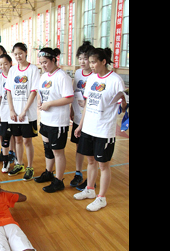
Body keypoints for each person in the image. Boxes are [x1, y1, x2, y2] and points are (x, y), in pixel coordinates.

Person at [73, 47, 127, 212]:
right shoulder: (92, 79)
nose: (91, 65)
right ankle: (89, 189)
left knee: (103, 165)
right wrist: (81, 126)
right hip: (89, 127)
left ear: (103, 62)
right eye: (89, 62)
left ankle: (101, 198)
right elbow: (88, 104)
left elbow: (122, 108)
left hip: (104, 130)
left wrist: (124, 101)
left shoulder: (115, 80)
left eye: (93, 62)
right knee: (90, 161)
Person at [33, 48, 74, 193]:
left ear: (54, 60)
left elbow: (69, 97)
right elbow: (40, 92)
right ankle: (48, 172)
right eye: (41, 63)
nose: (43, 65)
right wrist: (39, 101)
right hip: (45, 120)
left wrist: (50, 104)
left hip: (58, 122)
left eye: (46, 62)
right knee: (47, 149)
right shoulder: (44, 76)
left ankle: (59, 180)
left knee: (58, 152)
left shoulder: (62, 76)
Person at [5, 42, 40, 181]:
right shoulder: (13, 70)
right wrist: (12, 110)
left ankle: (30, 167)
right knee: (17, 139)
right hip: (14, 114)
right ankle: (19, 164)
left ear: (26, 53)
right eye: (16, 54)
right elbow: (8, 91)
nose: (18, 56)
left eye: (21, 53)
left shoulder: (33, 69)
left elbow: (33, 92)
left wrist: (24, 111)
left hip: (27, 114)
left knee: (27, 141)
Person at [70, 41, 95, 190]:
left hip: (91, 119)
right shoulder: (78, 72)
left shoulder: (95, 75)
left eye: (85, 58)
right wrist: (71, 111)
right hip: (78, 118)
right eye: (80, 58)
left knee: (91, 151)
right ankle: (78, 172)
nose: (82, 61)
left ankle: (91, 178)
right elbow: (74, 93)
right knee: (79, 147)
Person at [0, 45, 17, 164]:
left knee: (16, 136)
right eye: (1, 64)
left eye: (5, 64)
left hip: (16, 112)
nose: (3, 66)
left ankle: (14, 154)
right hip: (4, 112)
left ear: (10, 63)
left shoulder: (16, 76)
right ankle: (5, 153)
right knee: (4, 135)